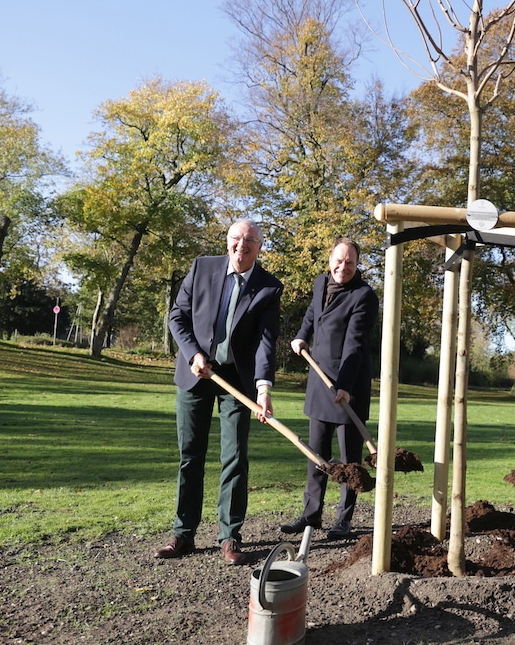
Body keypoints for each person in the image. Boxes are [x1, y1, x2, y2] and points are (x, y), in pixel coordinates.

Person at [154, 219, 283, 566]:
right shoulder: (201, 268)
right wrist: (194, 353)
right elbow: (177, 317)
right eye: (236, 239)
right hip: (196, 372)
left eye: (250, 241)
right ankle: (184, 533)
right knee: (190, 456)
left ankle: (230, 537)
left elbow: (265, 343)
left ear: (259, 246)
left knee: (235, 457)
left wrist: (263, 387)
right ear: (227, 242)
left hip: (236, 382)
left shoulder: (269, 288)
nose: (242, 245)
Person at [281, 237, 379, 540]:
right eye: (339, 260)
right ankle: (311, 516)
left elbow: (354, 343)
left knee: (349, 461)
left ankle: (344, 520)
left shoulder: (364, 296)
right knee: (316, 456)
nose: (343, 267)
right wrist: (301, 335)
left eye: (350, 262)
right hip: (319, 379)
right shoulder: (321, 282)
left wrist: (345, 386)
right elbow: (313, 313)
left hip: (347, 385)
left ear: (357, 264)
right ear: (330, 259)